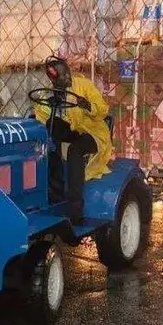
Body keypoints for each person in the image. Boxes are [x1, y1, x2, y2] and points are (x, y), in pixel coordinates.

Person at [34, 57, 112, 222]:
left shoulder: (84, 86)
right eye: (63, 76)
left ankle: (75, 208)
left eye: (68, 74)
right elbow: (41, 115)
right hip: (73, 131)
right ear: (53, 79)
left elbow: (103, 110)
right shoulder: (50, 93)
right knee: (49, 141)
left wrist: (88, 106)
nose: (68, 78)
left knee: (74, 150)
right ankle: (55, 195)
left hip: (92, 133)